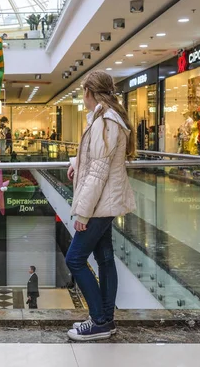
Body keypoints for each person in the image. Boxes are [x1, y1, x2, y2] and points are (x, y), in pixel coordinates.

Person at [65, 70, 136, 341]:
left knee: (74, 259)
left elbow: (98, 172)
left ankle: (98, 320)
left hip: (98, 204)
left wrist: (82, 212)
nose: (82, 97)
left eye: (83, 91)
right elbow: (98, 161)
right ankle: (107, 319)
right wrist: (76, 164)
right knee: (104, 258)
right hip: (105, 201)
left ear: (90, 92)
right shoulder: (107, 118)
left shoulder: (104, 122)